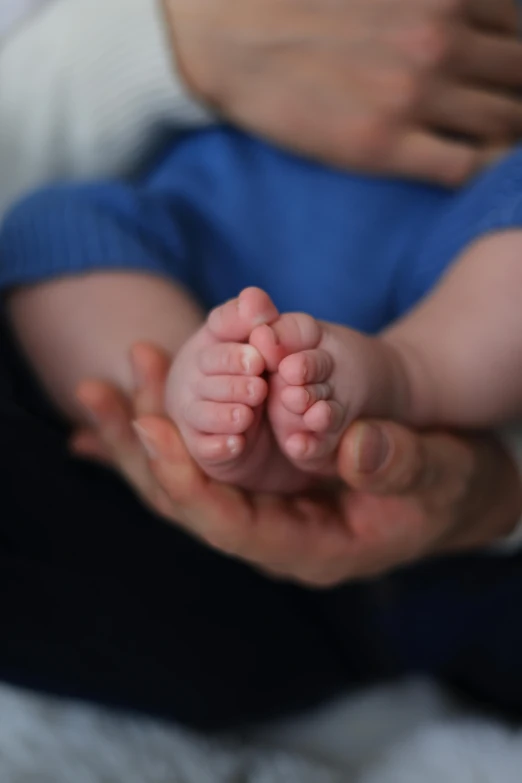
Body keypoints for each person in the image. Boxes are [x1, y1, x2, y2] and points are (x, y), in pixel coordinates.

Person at [0, 0, 521, 732]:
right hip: (199, 240)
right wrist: (173, 46)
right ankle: (196, 395)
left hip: (459, 259)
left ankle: (407, 373)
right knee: (52, 229)